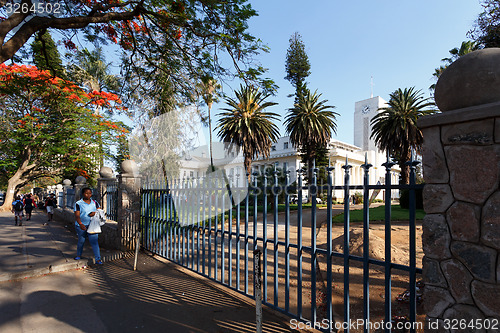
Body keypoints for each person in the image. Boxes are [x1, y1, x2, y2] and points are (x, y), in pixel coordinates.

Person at [74, 187, 102, 265]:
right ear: (83, 194)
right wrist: (80, 224)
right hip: (81, 226)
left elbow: (100, 211)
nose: (88, 195)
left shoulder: (95, 202)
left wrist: (95, 213)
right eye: (86, 193)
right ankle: (79, 255)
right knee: (81, 241)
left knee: (94, 242)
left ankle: (98, 259)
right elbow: (77, 215)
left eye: (90, 193)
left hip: (92, 225)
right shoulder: (78, 203)